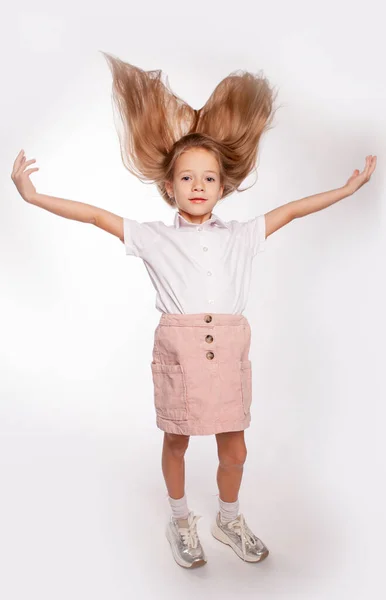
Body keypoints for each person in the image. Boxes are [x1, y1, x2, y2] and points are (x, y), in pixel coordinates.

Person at [11, 51, 377, 570]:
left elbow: (292, 209)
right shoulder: (154, 238)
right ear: (169, 187)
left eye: (208, 178)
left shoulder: (243, 237)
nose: (198, 186)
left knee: (236, 449)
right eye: (187, 178)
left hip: (228, 350)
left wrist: (346, 189)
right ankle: (181, 518)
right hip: (180, 348)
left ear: (222, 186)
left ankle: (228, 517)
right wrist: (34, 196)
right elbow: (95, 215)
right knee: (177, 440)